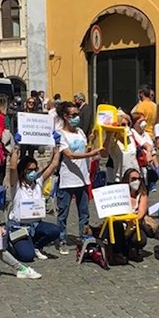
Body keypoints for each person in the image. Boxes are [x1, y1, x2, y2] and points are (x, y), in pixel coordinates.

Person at [55, 101, 106, 254]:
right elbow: (69, 154)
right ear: (65, 116)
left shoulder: (80, 132)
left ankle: (84, 236)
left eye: (77, 114)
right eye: (74, 115)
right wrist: (92, 153)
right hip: (67, 179)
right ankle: (62, 239)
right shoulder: (60, 134)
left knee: (84, 212)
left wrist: (92, 141)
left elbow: (86, 148)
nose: (77, 117)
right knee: (63, 212)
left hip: (83, 178)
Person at [7, 137, 61, 262]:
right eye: (29, 170)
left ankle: (36, 246)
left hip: (36, 225)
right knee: (27, 256)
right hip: (19, 227)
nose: (32, 172)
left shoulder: (38, 182)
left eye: (34, 169)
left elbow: (53, 165)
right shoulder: (17, 185)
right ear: (23, 171)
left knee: (54, 230)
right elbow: (12, 168)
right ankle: (14, 243)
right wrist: (16, 148)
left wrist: (56, 148)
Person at [110, 171, 148, 264]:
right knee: (117, 226)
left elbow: (141, 212)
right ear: (127, 180)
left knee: (141, 239)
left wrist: (133, 220)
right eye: (133, 179)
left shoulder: (142, 195)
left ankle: (132, 249)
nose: (137, 181)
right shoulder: (119, 195)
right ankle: (118, 253)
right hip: (120, 223)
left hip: (134, 225)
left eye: (139, 179)